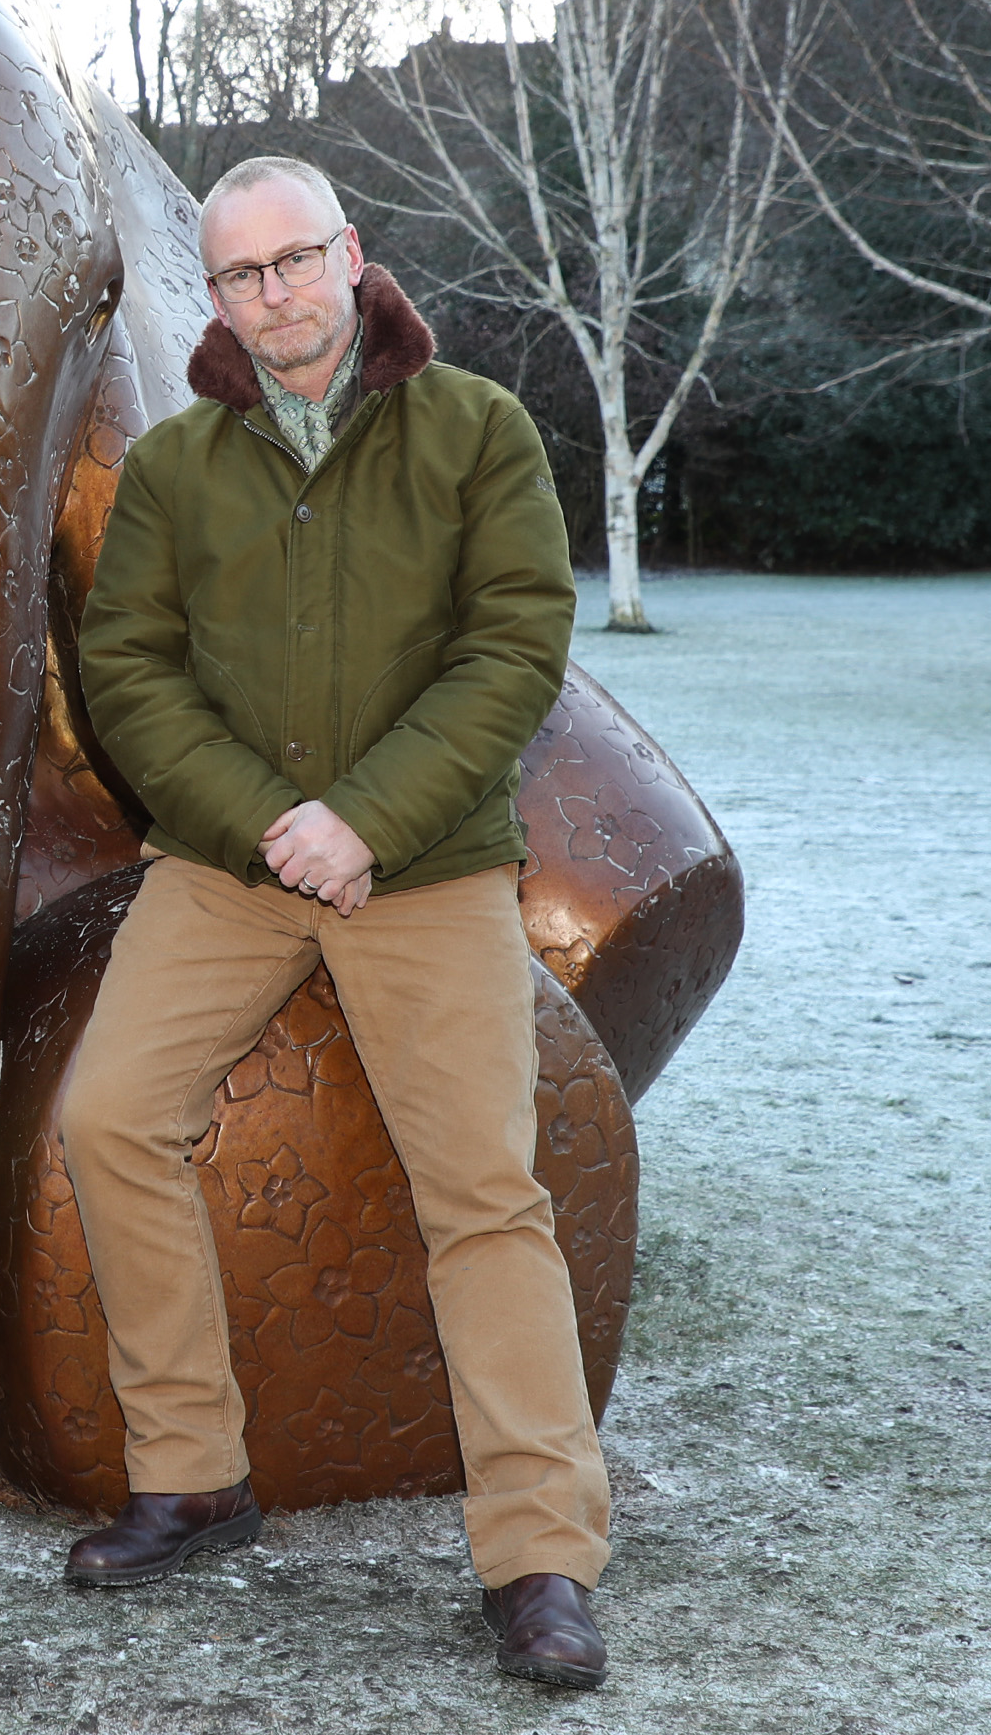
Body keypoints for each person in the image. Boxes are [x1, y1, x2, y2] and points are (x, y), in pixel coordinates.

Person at [63, 157, 612, 1688]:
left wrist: (364, 816)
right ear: (214, 295)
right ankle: (193, 1472)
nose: (274, 296)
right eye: (240, 276)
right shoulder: (177, 468)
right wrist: (268, 823)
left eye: (295, 261)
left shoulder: (475, 430)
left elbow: (514, 648)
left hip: (424, 862)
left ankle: (539, 1554)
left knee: (485, 1194)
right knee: (109, 1116)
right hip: (229, 864)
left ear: (350, 255)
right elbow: (130, 673)